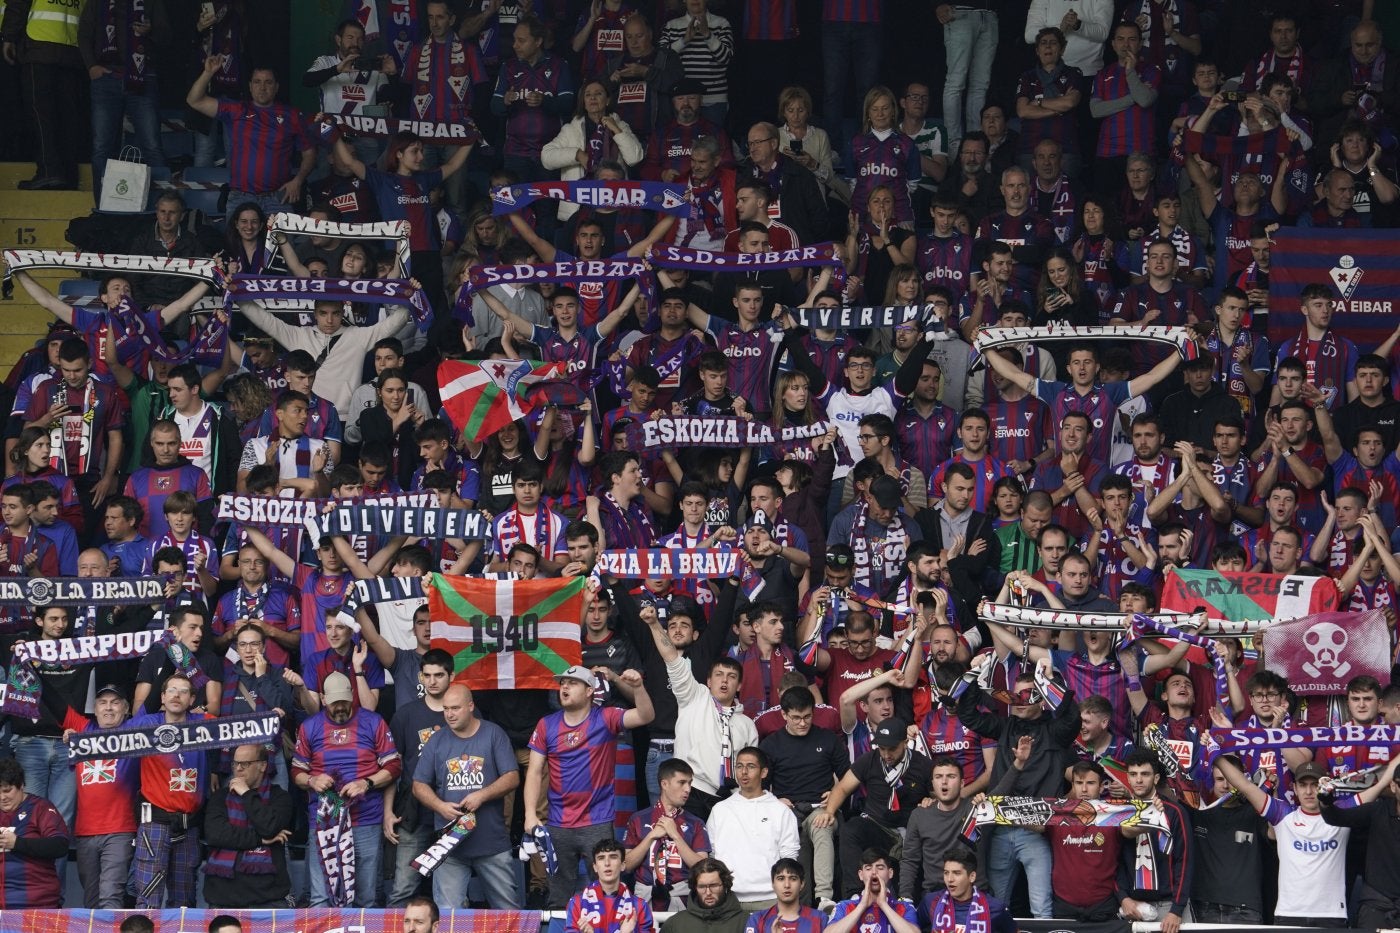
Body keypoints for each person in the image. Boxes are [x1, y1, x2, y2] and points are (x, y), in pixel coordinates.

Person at [525, 663, 655, 906]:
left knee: (606, 893)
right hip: (558, 821)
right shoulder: (546, 724)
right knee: (558, 897)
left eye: (572, 683)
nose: (564, 687)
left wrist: (638, 688)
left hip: (596, 820)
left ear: (589, 691)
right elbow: (533, 772)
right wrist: (530, 814)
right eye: (562, 683)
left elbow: (646, 716)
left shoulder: (605, 717)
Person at [292, 670, 402, 907]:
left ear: (353, 695)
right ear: (323, 699)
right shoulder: (310, 726)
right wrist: (312, 780)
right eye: (334, 703)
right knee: (321, 897)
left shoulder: (373, 722)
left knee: (367, 898)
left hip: (366, 819)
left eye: (344, 701)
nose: (340, 707)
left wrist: (367, 782)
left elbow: (393, 765)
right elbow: (296, 772)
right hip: (324, 821)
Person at [412, 683, 522, 909]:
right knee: (447, 915)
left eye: (455, 708)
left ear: (471, 706)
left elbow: (512, 777)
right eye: (445, 709)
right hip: (450, 844)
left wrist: (482, 795)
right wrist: (439, 806)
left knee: (508, 913)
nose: (449, 714)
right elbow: (418, 784)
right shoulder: (437, 740)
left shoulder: (493, 733)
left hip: (491, 842)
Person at [186, 58, 315, 218]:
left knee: (282, 243)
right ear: (250, 86)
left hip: (278, 197)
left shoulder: (292, 116)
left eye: (268, 82)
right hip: (241, 197)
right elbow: (194, 100)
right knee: (236, 244)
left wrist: (298, 180)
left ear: (276, 87)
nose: (262, 88)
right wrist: (208, 73)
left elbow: (309, 153)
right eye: (257, 82)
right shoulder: (236, 110)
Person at [706, 746, 799, 911]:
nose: (744, 772)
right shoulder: (719, 809)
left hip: (770, 899)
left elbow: (789, 858)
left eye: (751, 766)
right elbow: (711, 854)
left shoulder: (780, 810)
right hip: (728, 899)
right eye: (739, 766)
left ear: (764, 772)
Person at [202, 744, 294, 908]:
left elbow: (269, 827)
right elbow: (215, 834)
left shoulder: (280, 797)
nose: (238, 769)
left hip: (268, 899)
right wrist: (260, 839)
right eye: (235, 763)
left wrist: (246, 793)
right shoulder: (220, 797)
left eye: (245, 764)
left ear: (262, 766)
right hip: (222, 898)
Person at [565, 838, 657, 933]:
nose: (607, 863)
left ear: (622, 865)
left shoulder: (640, 906)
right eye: (601, 858)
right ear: (595, 867)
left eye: (613, 857)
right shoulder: (576, 904)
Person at [918, 848, 1015, 933]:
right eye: (946, 873)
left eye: (957, 873)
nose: (950, 879)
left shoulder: (995, 907)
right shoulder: (930, 902)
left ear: (972, 877)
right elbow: (914, 928)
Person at [826, 848, 920, 933]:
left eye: (880, 867)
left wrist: (883, 905)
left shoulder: (905, 907)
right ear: (861, 875)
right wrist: (861, 906)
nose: (874, 872)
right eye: (868, 868)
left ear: (890, 873)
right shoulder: (844, 906)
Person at [661, 858, 749, 933]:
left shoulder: (746, 922)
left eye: (714, 885)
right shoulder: (675, 924)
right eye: (702, 887)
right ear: (695, 888)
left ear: (725, 885)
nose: (708, 892)